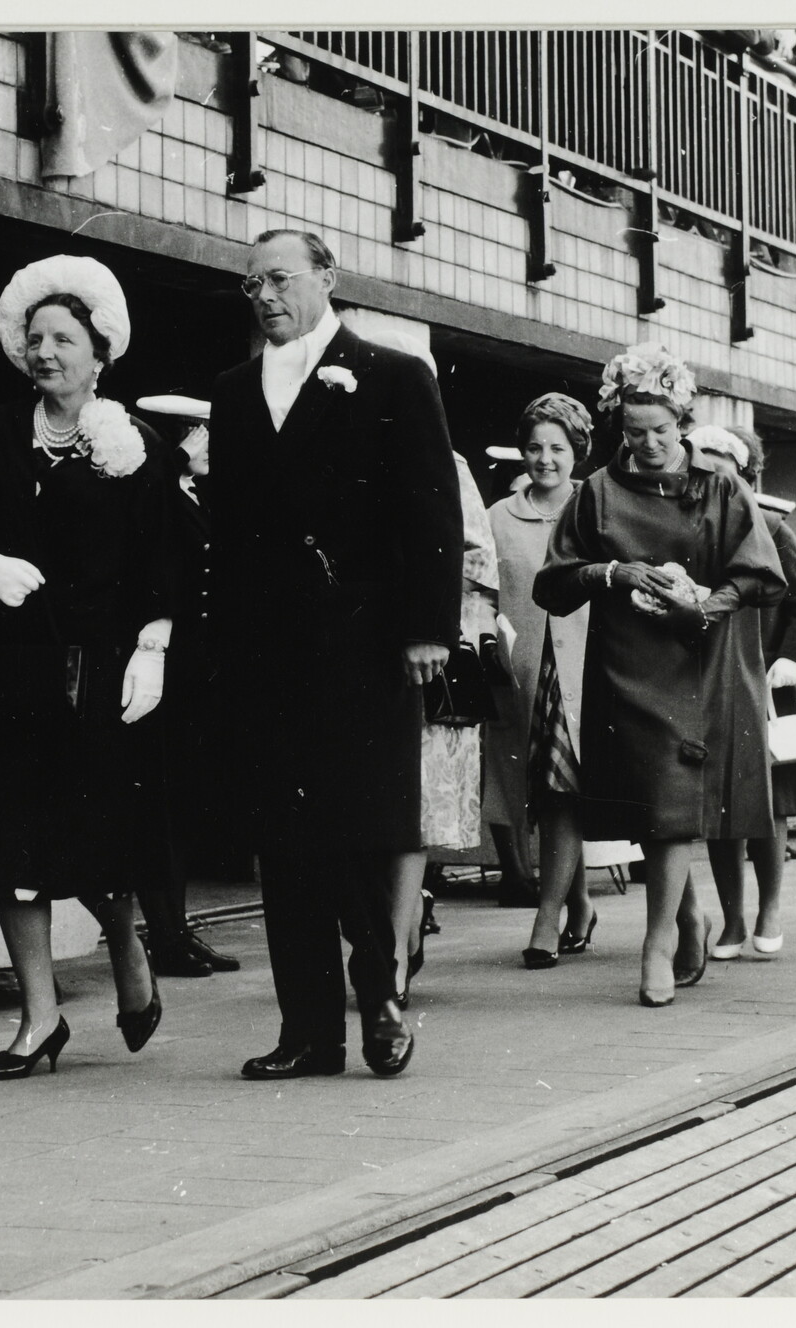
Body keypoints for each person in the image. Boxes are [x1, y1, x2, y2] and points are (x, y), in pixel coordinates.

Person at [209, 229, 462, 1080]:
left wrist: (430, 626)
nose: (265, 295)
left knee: (359, 829)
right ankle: (308, 1032)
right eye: (252, 285)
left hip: (364, 646)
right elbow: (232, 535)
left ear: (327, 278)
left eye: (280, 278)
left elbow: (431, 513)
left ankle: (381, 997)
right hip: (269, 656)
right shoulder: (235, 391)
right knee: (286, 844)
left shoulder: (392, 375)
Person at [0, 255, 172, 1079]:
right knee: (13, 849)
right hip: (5, 671)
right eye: (35, 338)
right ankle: (39, 1020)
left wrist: (154, 645)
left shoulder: (135, 447)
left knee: (93, 845)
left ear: (99, 350)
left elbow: (170, 557)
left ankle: (125, 942)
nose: (46, 352)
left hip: (98, 675)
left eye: (63, 339)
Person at [534, 344, 786, 1007]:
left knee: (670, 805)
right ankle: (688, 914)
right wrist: (612, 574)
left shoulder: (720, 488)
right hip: (625, 666)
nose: (648, 445)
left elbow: (760, 576)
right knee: (653, 807)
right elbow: (553, 583)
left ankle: (658, 945)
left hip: (696, 665)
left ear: (682, 422)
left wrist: (705, 602)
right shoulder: (597, 493)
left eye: (662, 431)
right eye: (634, 431)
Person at [338, 317, 493, 1005]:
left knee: (409, 813)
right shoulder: (330, 450)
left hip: (422, 662)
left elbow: (476, 565)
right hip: (346, 658)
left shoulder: (447, 465)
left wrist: (431, 623)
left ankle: (395, 949)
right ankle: (379, 938)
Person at [689, 427, 796, 961]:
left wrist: (795, 656)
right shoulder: (691, 531)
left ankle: (769, 908)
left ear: (744, 477)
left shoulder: (770, 526)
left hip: (767, 684)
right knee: (720, 809)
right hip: (710, 686)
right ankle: (731, 919)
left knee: (769, 807)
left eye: (724, 472)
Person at [483, 394, 597, 969]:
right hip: (520, 674)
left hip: (584, 675)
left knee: (561, 794)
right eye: (534, 447)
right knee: (538, 795)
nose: (544, 459)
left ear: (578, 450)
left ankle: (546, 918)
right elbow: (482, 592)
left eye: (557, 448)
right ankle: (577, 905)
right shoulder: (496, 517)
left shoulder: (598, 507)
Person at [133, 394, 242, 979]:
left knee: (182, 802)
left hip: (197, 669)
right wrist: (173, 466)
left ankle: (175, 931)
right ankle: (166, 936)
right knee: (162, 805)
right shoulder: (157, 492)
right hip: (155, 666)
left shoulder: (200, 494)